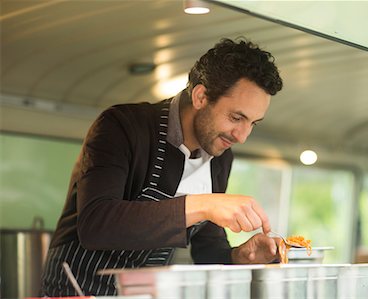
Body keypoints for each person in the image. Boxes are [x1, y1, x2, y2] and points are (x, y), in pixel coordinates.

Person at [41, 37, 283, 296]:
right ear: (201, 96)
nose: (242, 136)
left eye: (253, 123)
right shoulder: (122, 126)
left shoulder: (221, 157)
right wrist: (203, 205)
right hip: (76, 289)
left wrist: (239, 256)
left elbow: (207, 248)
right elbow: (96, 224)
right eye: (236, 117)